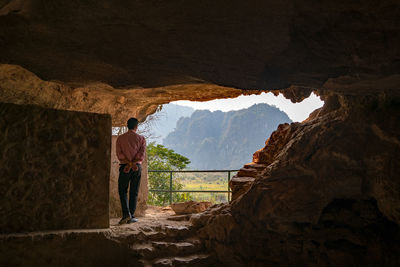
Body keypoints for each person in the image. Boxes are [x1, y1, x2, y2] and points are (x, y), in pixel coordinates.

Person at [116, 117, 146, 224]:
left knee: (122, 191)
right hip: (136, 167)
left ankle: (126, 215)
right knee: (134, 191)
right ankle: (131, 215)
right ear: (136, 126)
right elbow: (141, 154)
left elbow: (119, 154)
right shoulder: (141, 138)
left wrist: (128, 163)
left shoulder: (120, 139)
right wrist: (133, 163)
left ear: (127, 125)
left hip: (125, 167)